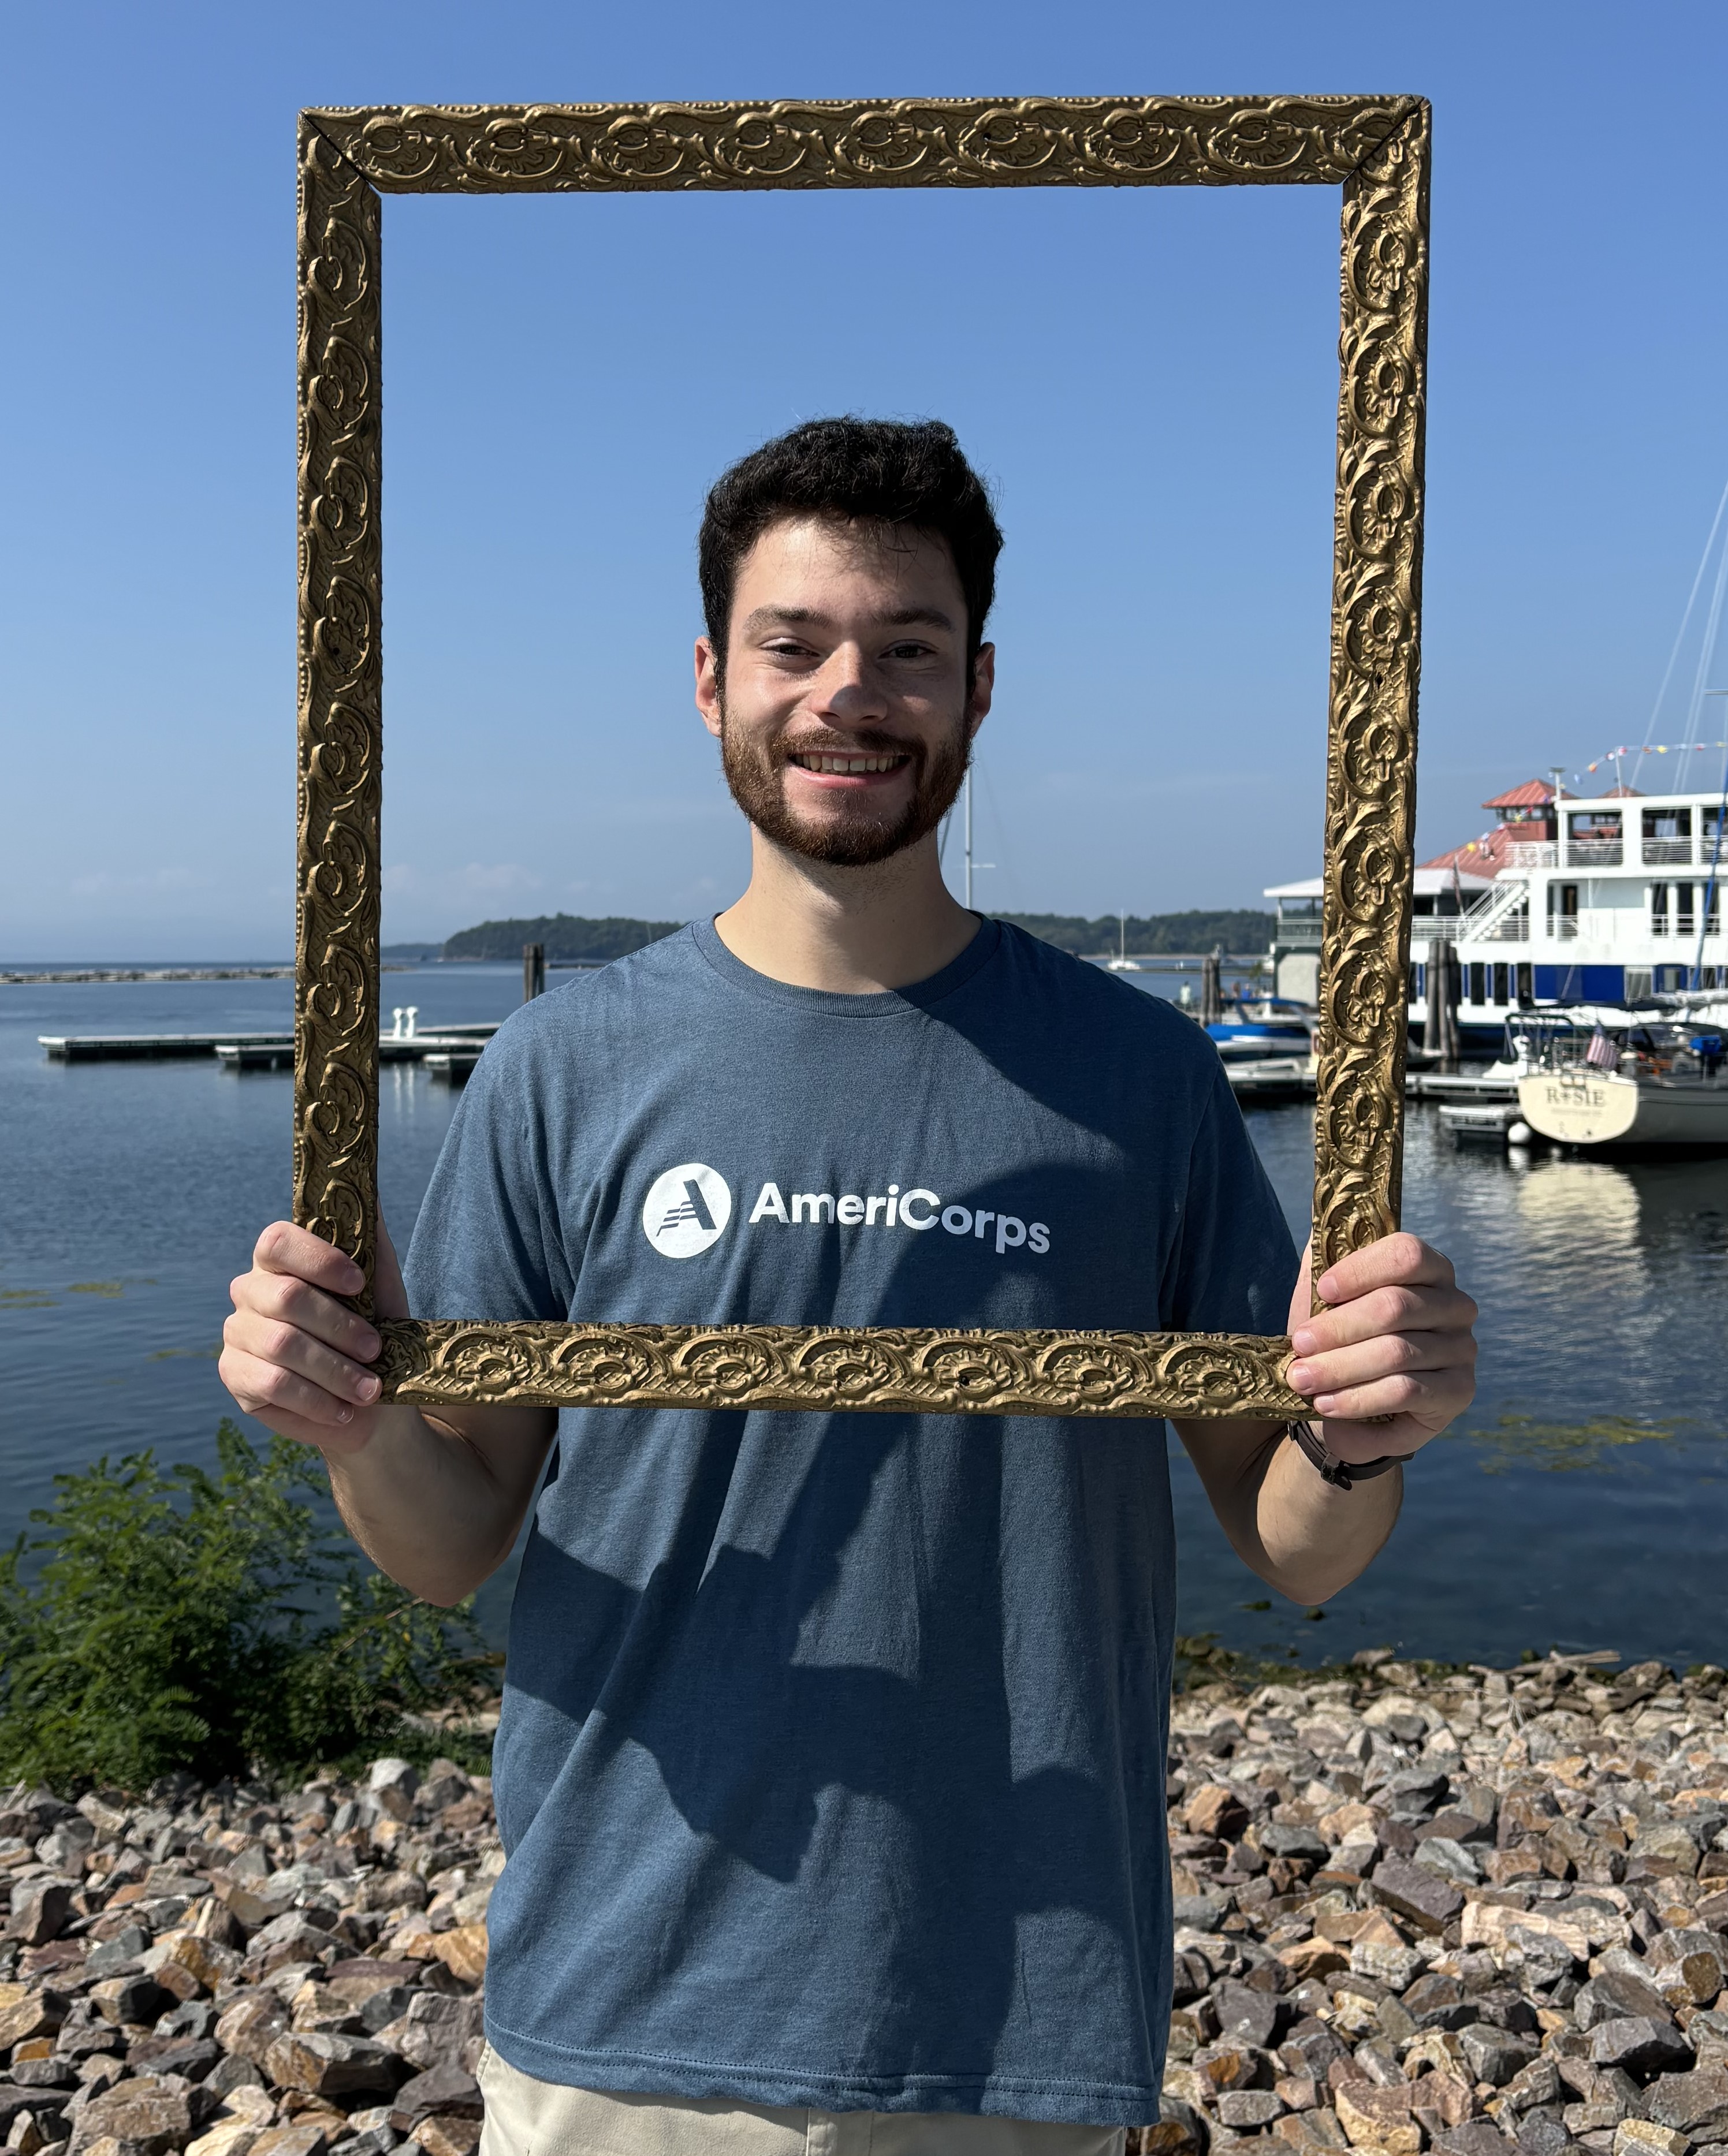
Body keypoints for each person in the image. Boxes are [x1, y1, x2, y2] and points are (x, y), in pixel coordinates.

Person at [222, 419, 1477, 2156]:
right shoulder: (559, 1069)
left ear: (976, 685)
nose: (847, 695)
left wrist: (1368, 1424)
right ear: (708, 677)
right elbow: (450, 1546)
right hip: (623, 2006)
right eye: (793, 645)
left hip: (1015, 2007)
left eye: (905, 650)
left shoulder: (1142, 1080)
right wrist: (344, 1416)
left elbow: (1296, 1547)